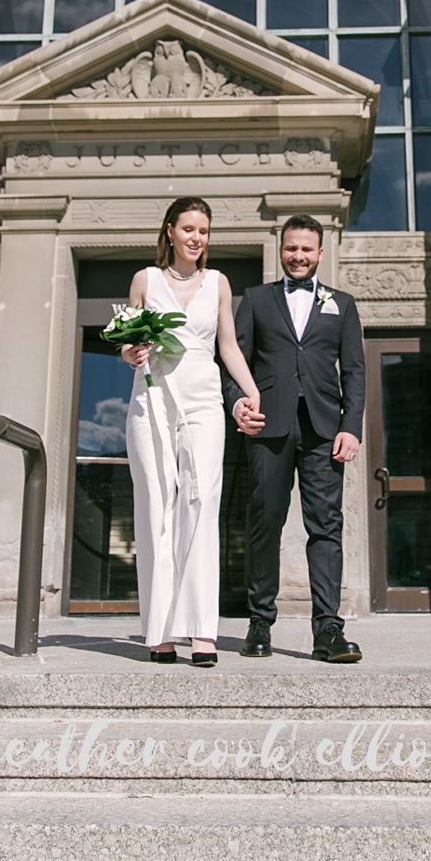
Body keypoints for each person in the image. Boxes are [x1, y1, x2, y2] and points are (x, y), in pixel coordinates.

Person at [119, 197, 263, 665]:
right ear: (169, 231)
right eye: (188, 229)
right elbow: (127, 343)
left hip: (203, 399)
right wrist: (130, 353)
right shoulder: (146, 279)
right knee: (157, 507)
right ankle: (159, 631)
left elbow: (229, 347)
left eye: (203, 230)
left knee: (201, 504)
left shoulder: (219, 283)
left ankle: (203, 632)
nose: (196, 238)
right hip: (152, 396)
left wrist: (251, 391)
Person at [228, 215, 366, 663]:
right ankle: (259, 623)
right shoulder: (255, 299)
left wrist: (351, 425)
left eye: (307, 249)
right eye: (291, 248)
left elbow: (355, 371)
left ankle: (328, 629)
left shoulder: (341, 304)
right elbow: (232, 361)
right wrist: (238, 403)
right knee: (265, 522)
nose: (298, 256)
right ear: (280, 249)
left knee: (326, 526)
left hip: (325, 430)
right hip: (269, 424)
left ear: (320, 253)